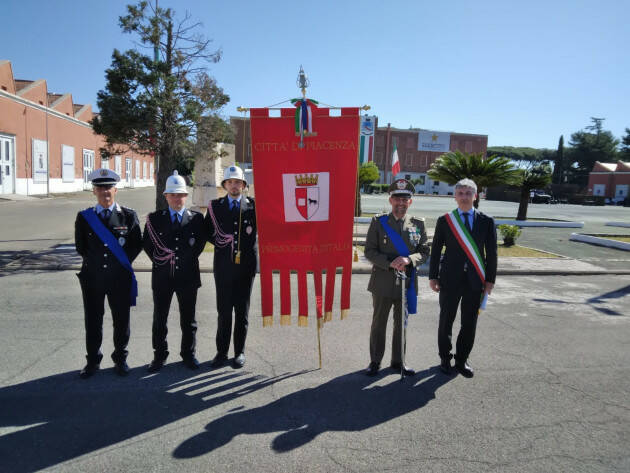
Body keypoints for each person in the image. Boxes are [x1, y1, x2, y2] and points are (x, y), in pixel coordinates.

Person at [75, 168, 142, 378]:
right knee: (93, 320)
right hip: (92, 279)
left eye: (109, 188)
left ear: (116, 190)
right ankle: (93, 361)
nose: (105, 192)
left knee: (121, 320)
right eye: (100, 188)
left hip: (119, 279)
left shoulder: (128, 215)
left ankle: (120, 359)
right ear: (94, 191)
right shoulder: (85, 217)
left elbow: (136, 245)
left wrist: (117, 265)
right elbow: (81, 247)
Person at [429, 178, 497, 378]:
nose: (464, 197)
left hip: (476, 280)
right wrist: (433, 276)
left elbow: (492, 253)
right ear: (455, 197)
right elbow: (435, 251)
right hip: (449, 279)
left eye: (469, 193)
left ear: (476, 196)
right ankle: (444, 358)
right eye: (460, 193)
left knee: (469, 323)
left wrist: (490, 280)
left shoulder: (486, 221)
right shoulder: (445, 221)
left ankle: (461, 360)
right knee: (446, 320)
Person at [364, 178, 430, 377]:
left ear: (410, 202)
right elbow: (369, 251)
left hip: (407, 283)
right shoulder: (379, 222)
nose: (401, 202)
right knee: (379, 324)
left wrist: (409, 259)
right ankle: (375, 361)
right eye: (397, 198)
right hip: (382, 281)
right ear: (390, 199)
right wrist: (389, 262)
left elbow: (425, 251)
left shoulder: (418, 224)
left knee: (402, 324)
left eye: (405, 199)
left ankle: (398, 361)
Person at [143, 171, 207, 372]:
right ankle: (159, 356)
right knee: (159, 319)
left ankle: (188, 354)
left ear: (186, 196)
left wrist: (185, 260)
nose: (177, 198)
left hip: (188, 276)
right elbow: (148, 245)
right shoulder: (154, 219)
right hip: (162, 277)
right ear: (166, 197)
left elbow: (199, 244)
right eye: (173, 195)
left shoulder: (196, 219)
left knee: (189, 320)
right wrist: (163, 261)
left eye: (180, 195)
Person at [204, 165, 257, 369]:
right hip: (224, 266)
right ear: (225, 185)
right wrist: (222, 243)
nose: (234, 185)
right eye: (230, 182)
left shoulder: (253, 206)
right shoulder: (215, 207)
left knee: (242, 312)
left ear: (244, 185)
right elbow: (207, 231)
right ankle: (221, 352)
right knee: (224, 312)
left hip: (246, 267)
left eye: (238, 182)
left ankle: (239, 352)